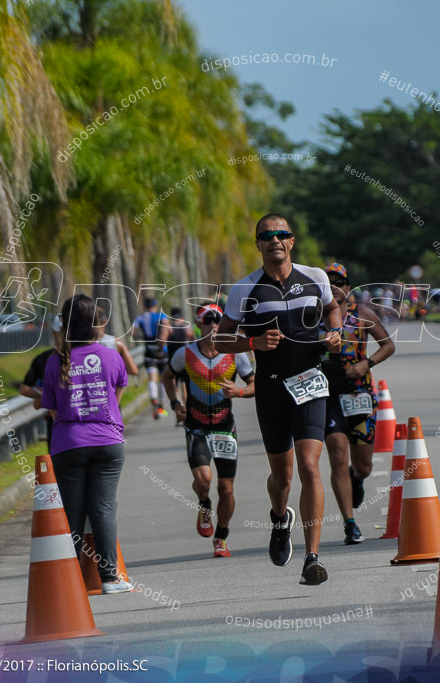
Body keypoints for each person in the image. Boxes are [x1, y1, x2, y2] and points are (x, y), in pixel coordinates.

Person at [215, 213, 342, 585]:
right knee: (282, 477)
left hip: (310, 382)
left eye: (282, 234)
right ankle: (279, 517)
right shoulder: (244, 289)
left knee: (308, 465)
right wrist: (252, 343)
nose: (275, 240)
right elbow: (219, 340)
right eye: (267, 235)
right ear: (258, 244)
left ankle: (313, 557)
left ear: (292, 241)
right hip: (270, 388)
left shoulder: (315, 277)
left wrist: (335, 332)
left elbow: (333, 308)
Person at [42, 294, 131, 593]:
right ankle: (108, 578)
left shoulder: (55, 360)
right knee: (103, 509)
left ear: (65, 325)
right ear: (96, 324)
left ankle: (68, 585)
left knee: (72, 513)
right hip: (107, 440)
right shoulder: (111, 355)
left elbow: (52, 409)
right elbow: (116, 397)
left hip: (68, 444)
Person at [162, 304, 255, 558]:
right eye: (207, 321)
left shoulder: (237, 353)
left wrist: (240, 392)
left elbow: (253, 383)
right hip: (196, 425)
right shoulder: (185, 354)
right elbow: (167, 376)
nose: (213, 326)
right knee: (204, 480)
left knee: (226, 489)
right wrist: (175, 403)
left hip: (225, 426)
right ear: (198, 325)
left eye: (217, 321)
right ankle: (204, 504)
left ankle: (221, 537)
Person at [320, 263, 395, 544]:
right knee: (338, 454)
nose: (333, 287)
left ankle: (357, 478)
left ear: (348, 287)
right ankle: (349, 522)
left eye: (339, 282)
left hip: (360, 395)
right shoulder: (312, 317)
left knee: (362, 466)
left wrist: (367, 362)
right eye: (327, 282)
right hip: (326, 396)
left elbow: (388, 345)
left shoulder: (361, 315)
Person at [20, 317, 64, 444]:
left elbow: (25, 390)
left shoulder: (44, 359)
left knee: (59, 462)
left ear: (53, 332)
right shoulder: (84, 355)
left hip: (56, 422)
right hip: (83, 420)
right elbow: (25, 390)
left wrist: (46, 396)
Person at [132, 297, 171, 419]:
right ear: (155, 305)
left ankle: (153, 399)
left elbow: (133, 333)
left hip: (149, 350)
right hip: (162, 351)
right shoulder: (161, 316)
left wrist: (143, 337)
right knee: (163, 378)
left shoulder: (140, 318)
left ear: (145, 306)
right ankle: (161, 403)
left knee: (152, 377)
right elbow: (168, 330)